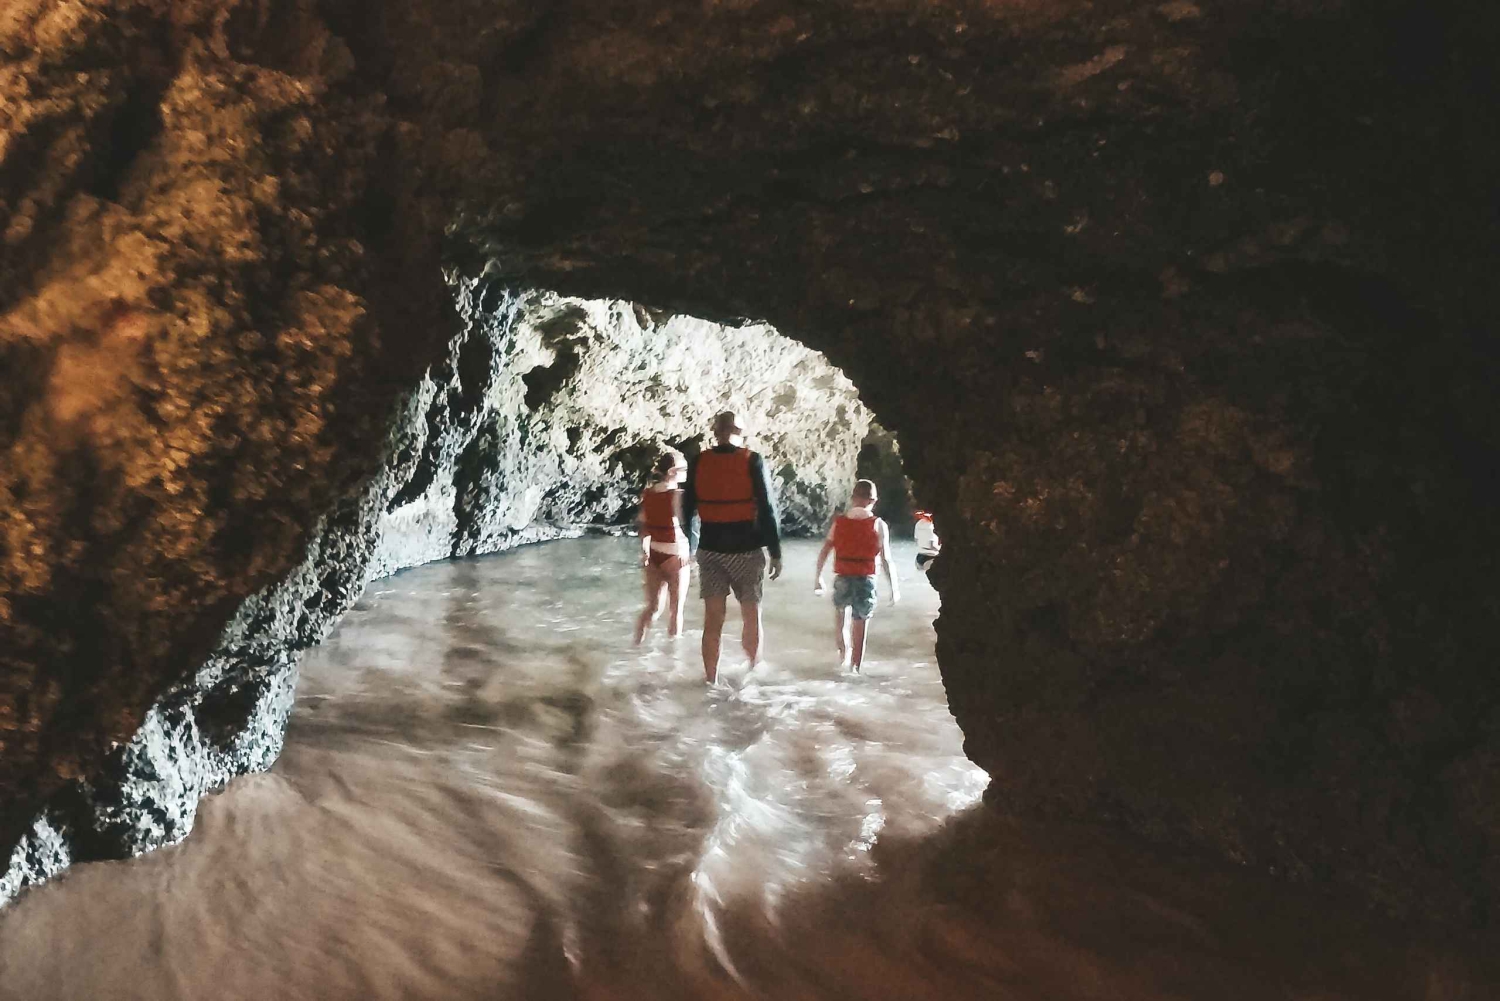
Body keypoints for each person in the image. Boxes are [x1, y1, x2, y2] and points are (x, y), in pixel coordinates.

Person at [681, 411, 782, 683]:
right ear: (740, 431)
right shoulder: (752, 460)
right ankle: (753, 675)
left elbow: (687, 508)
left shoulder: (699, 461)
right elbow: (767, 507)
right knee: (752, 614)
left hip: (710, 550)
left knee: (713, 619)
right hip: (746, 549)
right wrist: (775, 551)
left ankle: (711, 680)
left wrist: (690, 549)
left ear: (715, 431)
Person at [814, 479, 899, 672]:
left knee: (841, 616)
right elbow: (886, 559)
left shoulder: (840, 522)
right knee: (860, 623)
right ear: (873, 501)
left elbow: (825, 550)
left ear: (853, 498)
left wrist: (818, 576)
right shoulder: (878, 524)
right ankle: (855, 668)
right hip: (866, 580)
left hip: (843, 576)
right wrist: (894, 588)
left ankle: (843, 654)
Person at [635, 448, 690, 644]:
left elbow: (643, 527)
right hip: (677, 556)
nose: (687, 472)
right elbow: (687, 524)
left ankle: (636, 646)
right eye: (683, 468)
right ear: (673, 471)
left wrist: (645, 553)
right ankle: (672, 661)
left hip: (654, 554)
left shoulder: (648, 494)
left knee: (653, 608)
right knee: (676, 611)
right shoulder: (677, 495)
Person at [913, 508, 941, 575]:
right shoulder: (931, 526)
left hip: (919, 557)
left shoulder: (919, 523)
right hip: (931, 558)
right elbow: (932, 545)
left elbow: (916, 540)